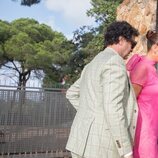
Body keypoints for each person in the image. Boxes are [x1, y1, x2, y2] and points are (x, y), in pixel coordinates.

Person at [66, 21, 139, 158]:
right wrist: (126, 150)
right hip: (102, 147)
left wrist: (92, 114)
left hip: (79, 142)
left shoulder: (93, 63)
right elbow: (113, 107)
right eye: (132, 44)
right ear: (121, 39)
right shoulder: (114, 62)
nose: (132, 49)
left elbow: (72, 93)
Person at [126, 30, 158, 158]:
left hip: (153, 127)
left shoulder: (152, 67)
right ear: (155, 47)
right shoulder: (143, 67)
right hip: (143, 129)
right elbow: (130, 101)